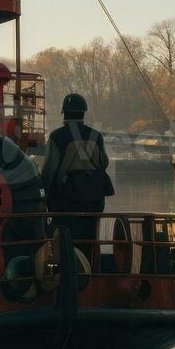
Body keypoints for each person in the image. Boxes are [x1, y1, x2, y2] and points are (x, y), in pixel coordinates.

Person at [41, 93, 115, 260]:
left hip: (65, 204)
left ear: (64, 114)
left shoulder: (56, 137)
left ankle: (66, 271)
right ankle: (90, 269)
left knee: (64, 244)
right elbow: (103, 163)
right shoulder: (96, 136)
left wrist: (42, 195)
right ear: (83, 113)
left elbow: (48, 172)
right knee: (89, 241)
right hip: (93, 203)